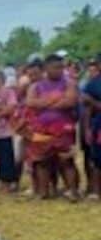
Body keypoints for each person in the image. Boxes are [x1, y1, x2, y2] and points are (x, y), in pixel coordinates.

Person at [26, 54, 80, 200]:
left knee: (66, 160)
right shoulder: (35, 86)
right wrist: (56, 99)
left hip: (64, 127)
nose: (59, 70)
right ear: (46, 68)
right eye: (55, 67)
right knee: (42, 160)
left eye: (61, 67)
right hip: (42, 128)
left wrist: (44, 102)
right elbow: (30, 103)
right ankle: (44, 192)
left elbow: (70, 102)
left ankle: (72, 191)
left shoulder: (69, 83)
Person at [82, 57, 101, 200]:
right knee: (97, 159)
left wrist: (94, 102)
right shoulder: (93, 84)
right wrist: (87, 128)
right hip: (98, 126)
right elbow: (87, 108)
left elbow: (90, 102)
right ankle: (96, 191)